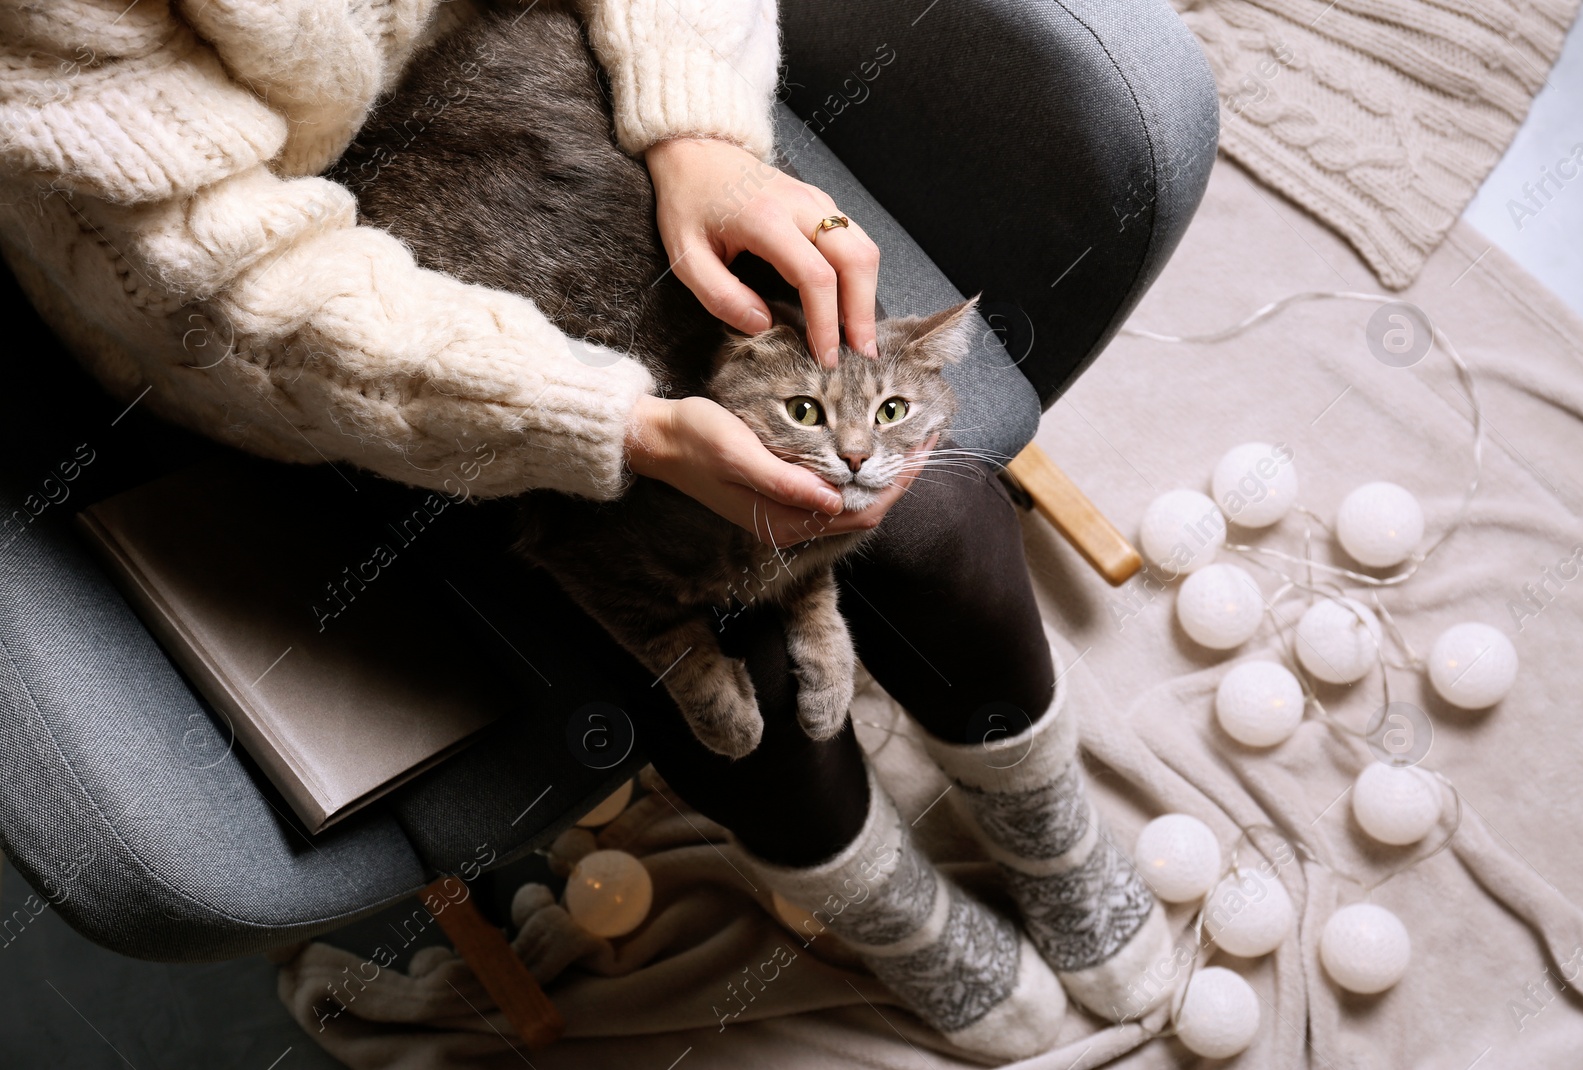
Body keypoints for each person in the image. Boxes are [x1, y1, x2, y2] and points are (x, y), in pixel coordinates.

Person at [0, 0, 1171, 1055]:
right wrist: (619, 425)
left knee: (937, 513)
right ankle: (883, 906)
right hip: (283, 315)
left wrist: (698, 125)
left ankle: (1044, 824)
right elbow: (228, 295)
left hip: (541, 88)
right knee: (706, 672)